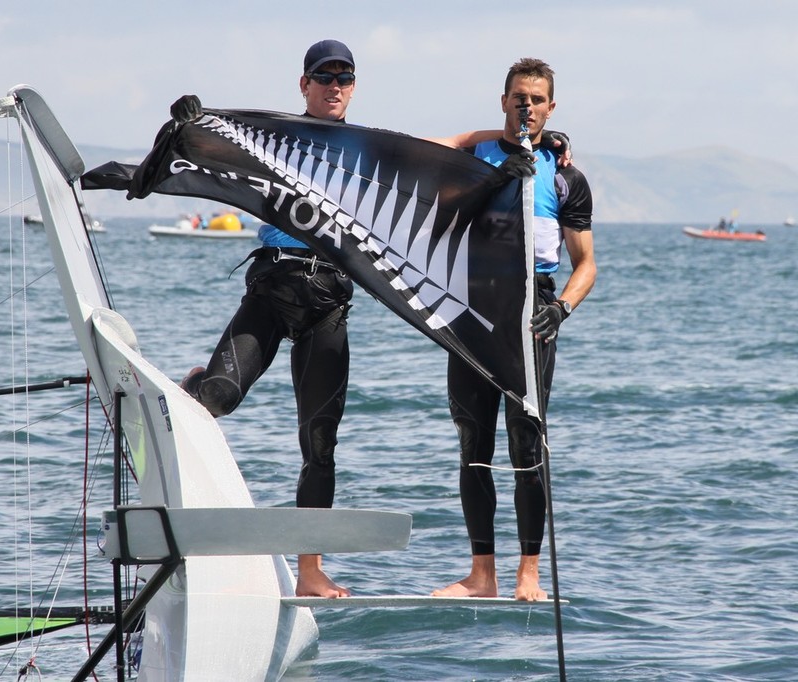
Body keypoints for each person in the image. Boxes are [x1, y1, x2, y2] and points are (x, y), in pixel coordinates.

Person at [170, 42, 544, 599]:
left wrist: (487, 143)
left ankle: (310, 570)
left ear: (354, 86)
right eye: (324, 78)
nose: (334, 86)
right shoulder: (273, 138)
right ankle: (194, 385)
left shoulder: (365, 151)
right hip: (272, 290)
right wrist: (192, 127)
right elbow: (214, 155)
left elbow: (431, 158)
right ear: (305, 84)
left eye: (344, 78)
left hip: (330, 302)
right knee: (220, 397)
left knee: (320, 444)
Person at [429, 57, 596, 602]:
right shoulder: (474, 155)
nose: (527, 106)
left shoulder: (567, 176)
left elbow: (587, 265)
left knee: (527, 442)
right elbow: (416, 148)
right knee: (472, 444)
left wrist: (562, 308)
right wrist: (500, 145)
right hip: (473, 310)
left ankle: (529, 576)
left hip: (534, 311)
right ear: (504, 101)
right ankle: (482, 575)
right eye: (518, 97)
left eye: (538, 99)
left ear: (552, 106)